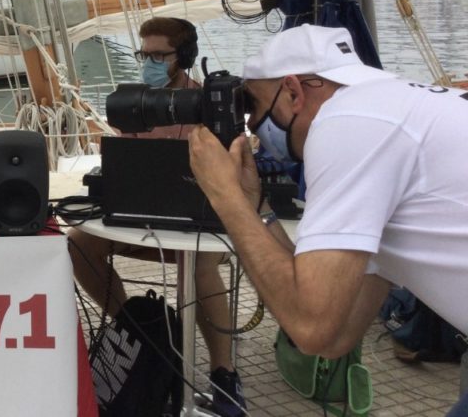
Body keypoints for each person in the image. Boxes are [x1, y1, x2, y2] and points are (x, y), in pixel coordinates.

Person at [188, 24, 468, 416]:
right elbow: (335, 333)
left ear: (293, 91)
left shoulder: (347, 121)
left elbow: (310, 326)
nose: (251, 124)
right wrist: (256, 209)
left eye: (252, 104)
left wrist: (224, 196)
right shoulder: (392, 108)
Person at [69, 17, 245, 416]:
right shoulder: (134, 104)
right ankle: (143, 335)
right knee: (78, 246)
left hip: (194, 228)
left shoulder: (207, 106)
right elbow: (125, 164)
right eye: (143, 54)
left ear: (182, 57)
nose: (148, 62)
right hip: (142, 223)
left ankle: (225, 375)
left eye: (158, 55)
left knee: (198, 264)